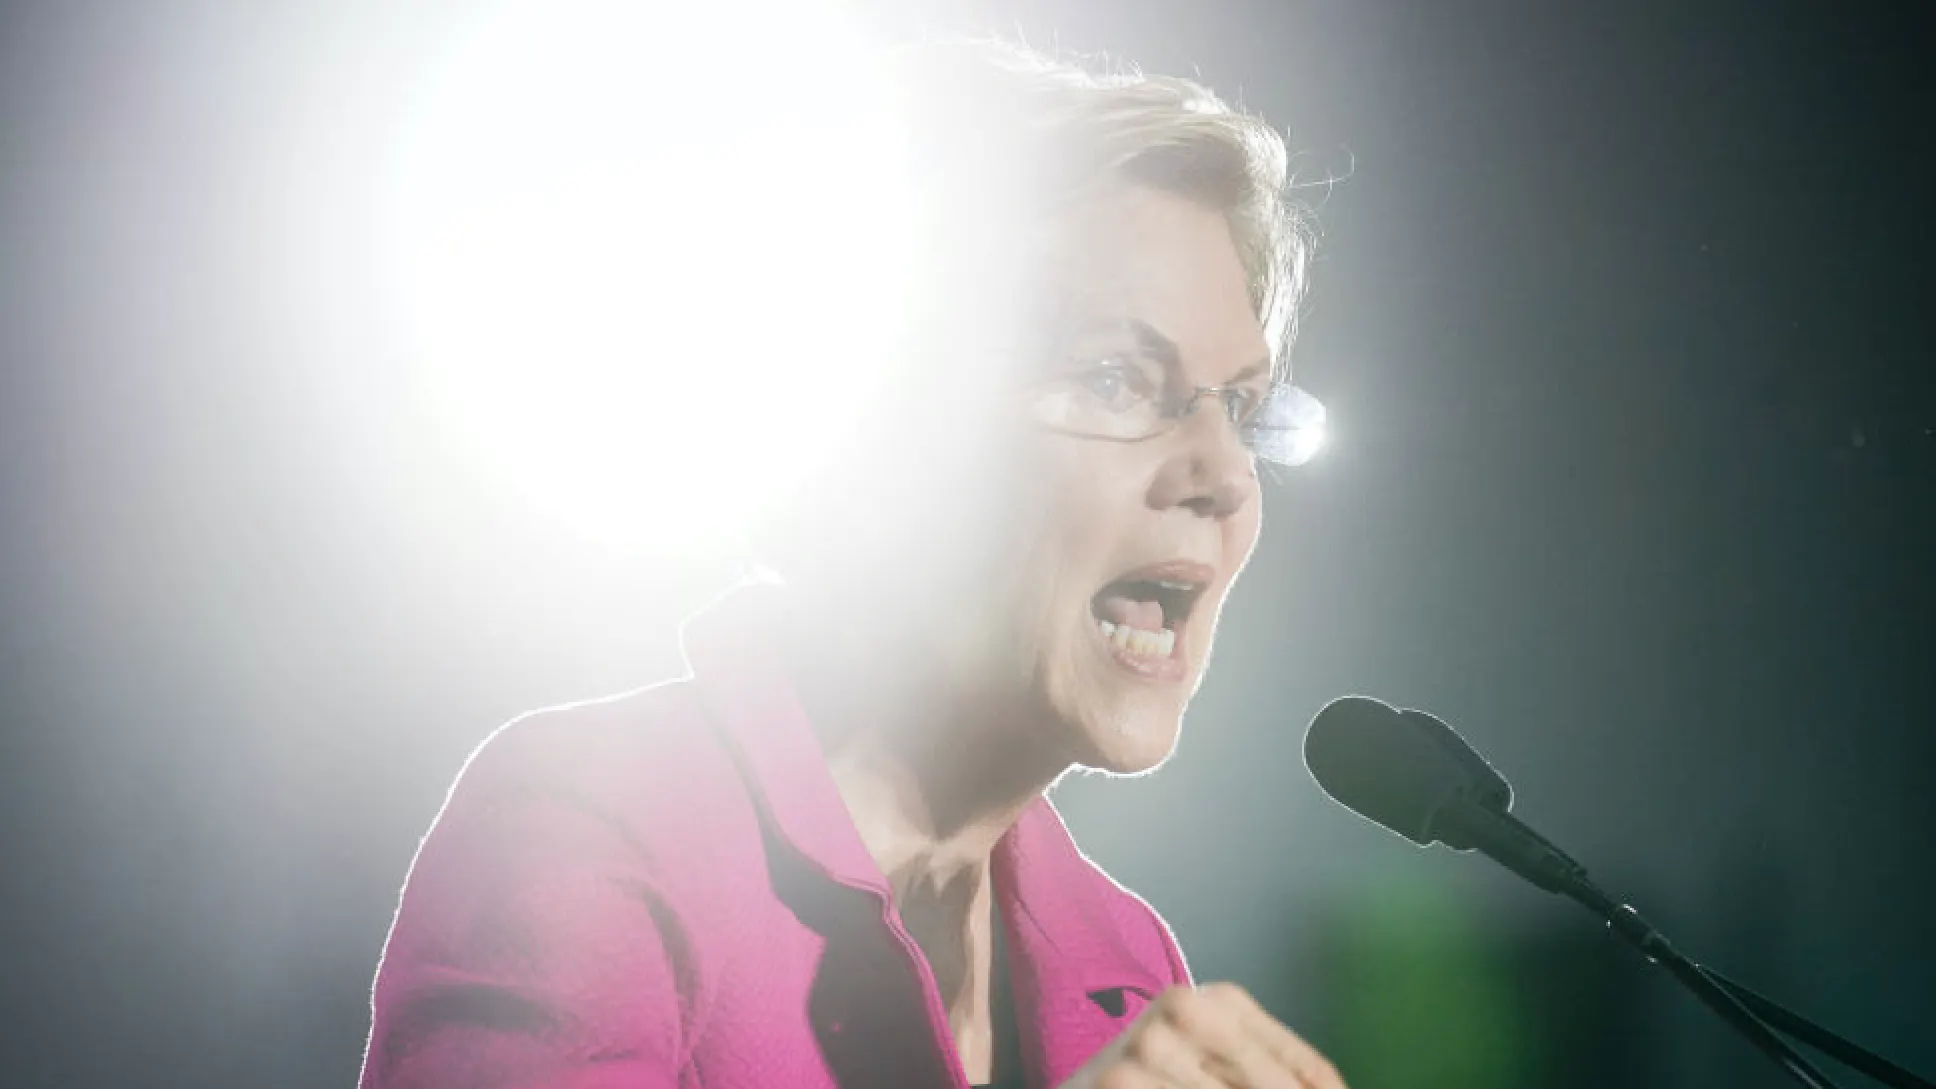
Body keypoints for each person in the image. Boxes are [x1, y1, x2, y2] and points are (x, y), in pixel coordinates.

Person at [360, 38, 1343, 1089]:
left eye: (1238, 407)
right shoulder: (586, 828)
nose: (1223, 476)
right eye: (1116, 378)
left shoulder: (1130, 965)